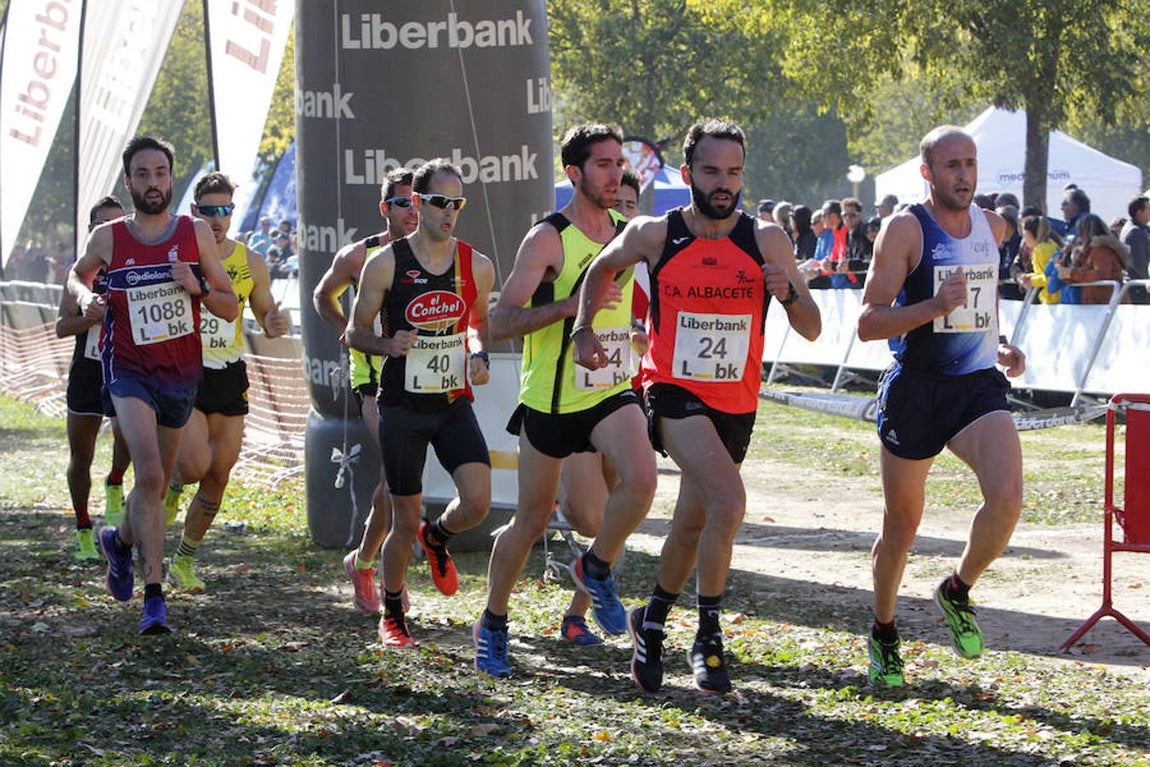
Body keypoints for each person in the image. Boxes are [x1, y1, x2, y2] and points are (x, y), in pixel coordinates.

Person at [573, 118, 821, 695]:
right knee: (729, 502)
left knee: (692, 523)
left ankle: (651, 620)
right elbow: (600, 267)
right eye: (711, 171)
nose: (724, 183)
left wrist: (785, 291)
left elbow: (811, 328)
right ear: (688, 174)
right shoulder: (654, 233)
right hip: (671, 393)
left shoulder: (767, 239)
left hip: (735, 401)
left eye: (734, 172)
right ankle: (708, 637)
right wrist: (585, 327)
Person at [475, 123, 657, 678]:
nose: (615, 173)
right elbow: (500, 319)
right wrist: (570, 306)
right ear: (574, 173)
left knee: (642, 482)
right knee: (528, 521)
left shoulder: (629, 231)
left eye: (618, 163)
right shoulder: (548, 238)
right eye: (602, 164)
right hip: (551, 400)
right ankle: (493, 623)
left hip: (608, 390)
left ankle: (594, 567)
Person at [856, 125, 1026, 688]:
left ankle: (957, 589)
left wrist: (999, 344)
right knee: (902, 527)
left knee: (1006, 499)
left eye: (970, 163)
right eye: (951, 165)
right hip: (917, 389)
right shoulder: (906, 228)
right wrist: (931, 305)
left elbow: (980, 304)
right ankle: (884, 630)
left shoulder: (993, 226)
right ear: (927, 172)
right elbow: (868, 321)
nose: (963, 175)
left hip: (976, 385)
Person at [66, 136, 238, 634]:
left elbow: (228, 305)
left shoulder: (195, 235)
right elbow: (77, 277)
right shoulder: (110, 237)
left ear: (171, 177)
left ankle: (120, 542)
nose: (153, 183)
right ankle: (155, 598)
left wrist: (197, 287)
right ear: (129, 181)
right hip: (128, 371)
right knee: (150, 473)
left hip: (181, 374)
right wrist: (86, 301)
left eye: (161, 173)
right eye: (143, 174)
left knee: (156, 480)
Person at [346, 159, 495, 648]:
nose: (449, 212)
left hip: (452, 401)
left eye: (457, 203)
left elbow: (476, 325)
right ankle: (392, 613)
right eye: (439, 202)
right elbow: (354, 332)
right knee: (402, 518)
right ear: (418, 203)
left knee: (477, 501)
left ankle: (439, 537)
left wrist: (477, 354)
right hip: (402, 407)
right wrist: (387, 345)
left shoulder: (477, 264)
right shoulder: (385, 263)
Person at [162, 172, 291, 590]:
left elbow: (267, 318)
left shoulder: (251, 261)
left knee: (219, 475)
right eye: (209, 211)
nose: (218, 219)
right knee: (195, 464)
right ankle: (175, 483)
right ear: (194, 213)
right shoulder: (180, 255)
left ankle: (183, 561)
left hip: (230, 373)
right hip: (188, 370)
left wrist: (275, 323)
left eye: (225, 211)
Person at [313, 168, 419, 615]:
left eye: (418, 202)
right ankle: (382, 572)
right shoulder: (360, 256)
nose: (412, 211)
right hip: (373, 377)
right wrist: (347, 331)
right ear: (385, 209)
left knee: (397, 483)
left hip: (420, 378)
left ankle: (364, 562)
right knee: (396, 472)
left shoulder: (437, 254)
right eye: (402, 203)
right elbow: (323, 295)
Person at [551, 164, 648, 647]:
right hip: (568, 401)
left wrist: (640, 338)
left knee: (617, 517)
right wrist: (575, 317)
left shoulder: (642, 268)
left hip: (620, 395)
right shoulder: (570, 247)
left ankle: (576, 616)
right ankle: (534, 526)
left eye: (634, 207)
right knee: (590, 517)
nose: (626, 215)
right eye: (620, 205)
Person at [56, 196, 132, 560]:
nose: (112, 231)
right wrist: (90, 315)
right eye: (104, 224)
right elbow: (60, 326)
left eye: (119, 224)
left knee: (129, 436)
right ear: (91, 230)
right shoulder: (81, 272)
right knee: (80, 455)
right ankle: (84, 526)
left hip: (126, 366)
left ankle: (116, 480)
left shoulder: (136, 263)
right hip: (88, 369)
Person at [1056, 212, 1129, 305]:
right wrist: (1065, 271)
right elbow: (1084, 274)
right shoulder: (1090, 251)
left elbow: (1099, 275)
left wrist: (1071, 273)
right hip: (1097, 304)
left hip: (1108, 304)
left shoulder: (1102, 251)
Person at [1015, 214, 1061, 304]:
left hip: (1052, 299)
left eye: (1025, 235)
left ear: (1030, 234)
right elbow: (1042, 274)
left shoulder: (1041, 249)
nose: (1024, 239)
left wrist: (1032, 281)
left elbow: (1050, 277)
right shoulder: (1050, 244)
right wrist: (1028, 276)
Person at [1119, 195, 1149, 304]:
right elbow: (1139, 263)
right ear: (1139, 212)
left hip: (1133, 286)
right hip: (1139, 288)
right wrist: (1148, 281)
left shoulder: (1129, 227)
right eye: (1148, 209)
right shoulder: (1135, 232)